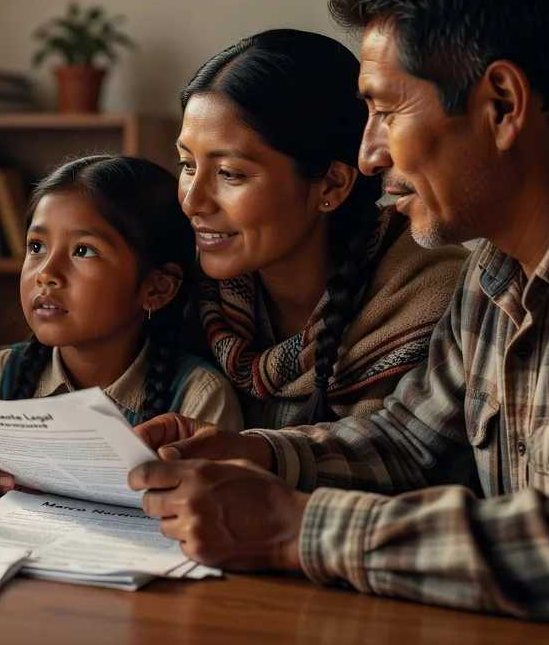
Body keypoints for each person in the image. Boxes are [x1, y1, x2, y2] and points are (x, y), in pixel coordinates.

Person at [131, 0, 549, 626]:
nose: (370, 154)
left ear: (501, 105)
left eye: (383, 111)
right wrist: (254, 456)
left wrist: (289, 527)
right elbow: (407, 442)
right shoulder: (498, 264)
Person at [179, 28, 467, 429]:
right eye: (188, 166)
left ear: (331, 184)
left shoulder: (437, 300)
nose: (192, 201)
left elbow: (402, 458)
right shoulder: (179, 288)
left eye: (229, 173)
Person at [0, 155, 240, 494]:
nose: (46, 274)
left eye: (83, 251)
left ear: (156, 287)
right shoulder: (0, 376)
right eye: (37, 246)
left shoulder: (199, 397)